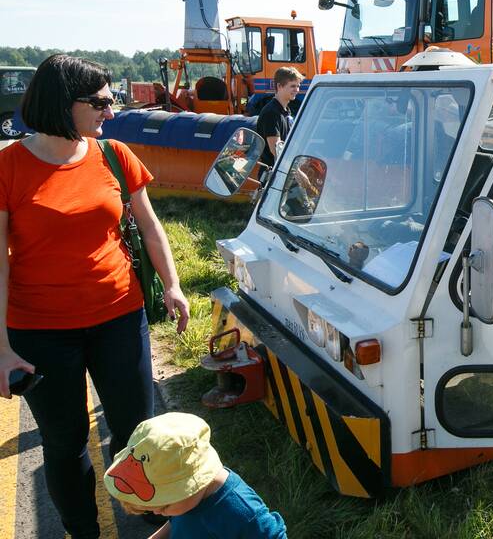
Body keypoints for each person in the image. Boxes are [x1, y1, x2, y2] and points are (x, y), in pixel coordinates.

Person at [0, 54, 190, 539]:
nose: (112, 111)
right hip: (40, 331)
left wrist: (172, 285)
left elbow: (149, 226)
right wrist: (2, 349)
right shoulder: (9, 166)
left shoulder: (114, 154)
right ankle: (82, 530)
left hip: (120, 319)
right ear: (65, 103)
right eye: (102, 102)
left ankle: (147, 513)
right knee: (64, 443)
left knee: (135, 431)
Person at [105, 412, 287, 538]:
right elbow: (179, 521)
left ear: (191, 484)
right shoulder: (187, 499)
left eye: (164, 505)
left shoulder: (242, 513)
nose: (157, 511)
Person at [255, 67, 303, 172]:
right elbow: (277, 152)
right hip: (273, 177)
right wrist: (299, 174)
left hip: (284, 173)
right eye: (292, 86)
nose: (297, 90)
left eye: (298, 86)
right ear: (279, 86)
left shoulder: (286, 112)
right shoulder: (271, 113)